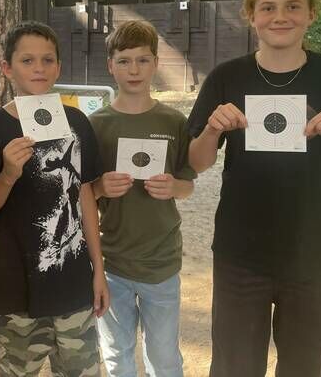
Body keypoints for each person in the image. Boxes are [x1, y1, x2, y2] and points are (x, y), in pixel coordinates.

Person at [187, 0, 321, 377]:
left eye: (293, 7)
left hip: (315, 254)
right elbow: (197, 163)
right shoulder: (226, 77)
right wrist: (212, 129)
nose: (280, 17)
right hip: (241, 253)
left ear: (311, 14)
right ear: (252, 15)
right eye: (268, 8)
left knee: (305, 368)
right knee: (235, 368)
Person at [0, 21, 108, 376]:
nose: (39, 68)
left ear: (58, 67)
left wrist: (98, 269)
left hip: (73, 282)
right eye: (27, 60)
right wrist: (7, 174)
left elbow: (86, 196)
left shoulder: (77, 122)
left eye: (48, 60)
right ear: (7, 68)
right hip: (15, 286)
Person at [88, 20, 195, 376]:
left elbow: (188, 184)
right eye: (124, 61)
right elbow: (82, 195)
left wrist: (173, 188)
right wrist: (101, 188)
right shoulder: (95, 125)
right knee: (116, 356)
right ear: (110, 66)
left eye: (143, 60)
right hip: (112, 263)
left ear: (156, 64)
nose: (133, 70)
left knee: (164, 358)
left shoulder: (174, 121)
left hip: (160, 262)